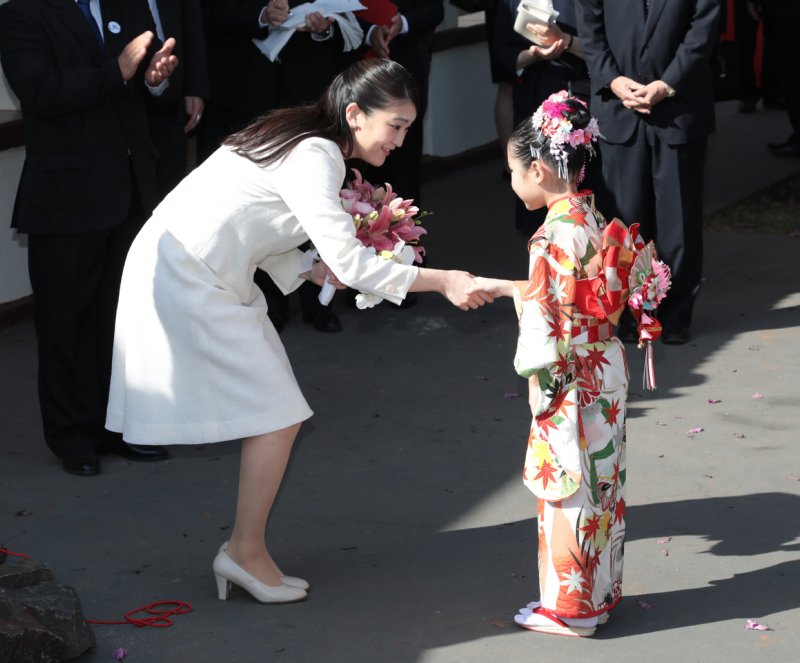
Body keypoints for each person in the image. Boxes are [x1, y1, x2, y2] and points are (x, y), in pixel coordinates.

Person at [105, 59, 490, 604]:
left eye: (408, 126)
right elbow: (351, 264)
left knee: (278, 413)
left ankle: (245, 551)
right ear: (355, 114)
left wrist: (308, 269)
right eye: (395, 125)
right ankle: (244, 553)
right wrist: (445, 280)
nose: (402, 139)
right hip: (188, 273)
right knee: (279, 413)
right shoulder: (317, 153)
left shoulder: (305, 137)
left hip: (207, 270)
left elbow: (256, 217)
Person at [469, 92, 669, 637]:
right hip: (604, 361)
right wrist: (510, 288)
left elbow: (545, 318)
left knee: (566, 486)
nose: (512, 181)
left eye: (513, 171)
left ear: (538, 168)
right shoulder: (589, 215)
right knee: (602, 483)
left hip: (570, 372)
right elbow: (565, 294)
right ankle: (600, 594)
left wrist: (541, 384)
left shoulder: (548, 235)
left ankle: (571, 610)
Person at [0, 0, 179, 476]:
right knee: (65, 324)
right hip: (65, 197)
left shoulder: (127, 5)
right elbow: (39, 91)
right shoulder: (21, 13)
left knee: (121, 324)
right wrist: (117, 71)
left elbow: (149, 93)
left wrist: (155, 81)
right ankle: (71, 436)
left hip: (130, 190)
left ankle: (117, 427)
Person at [576, 0, 720, 345]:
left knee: (679, 222)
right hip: (618, 108)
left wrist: (666, 84)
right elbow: (589, 24)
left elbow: (703, 28)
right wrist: (611, 79)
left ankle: (674, 315)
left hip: (679, 107)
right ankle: (627, 313)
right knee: (624, 222)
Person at [491, 0, 595, 235]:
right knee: (536, 207)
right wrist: (533, 54)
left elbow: (603, 50)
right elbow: (501, 55)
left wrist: (566, 42)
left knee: (583, 190)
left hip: (578, 106)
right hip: (531, 102)